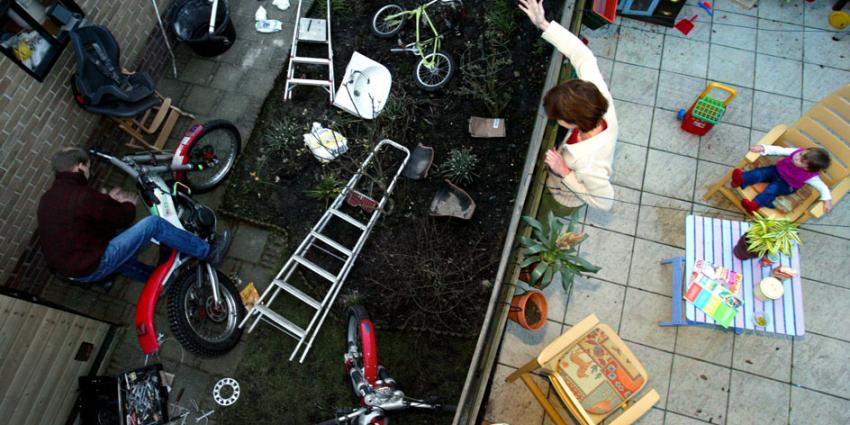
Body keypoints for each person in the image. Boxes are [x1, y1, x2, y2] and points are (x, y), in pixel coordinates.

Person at [37, 147, 231, 283]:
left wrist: (106, 202)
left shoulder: (48, 198)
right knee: (153, 225)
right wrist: (127, 204)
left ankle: (160, 281)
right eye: (87, 167)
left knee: (119, 256)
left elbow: (82, 220)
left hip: (70, 270)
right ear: (79, 167)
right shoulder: (82, 196)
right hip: (91, 263)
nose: (88, 172)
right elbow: (123, 218)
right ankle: (208, 252)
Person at [519, 0, 617, 212]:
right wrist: (543, 23)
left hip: (566, 194)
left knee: (550, 207)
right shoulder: (597, 96)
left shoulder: (591, 164)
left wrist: (564, 171)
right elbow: (582, 55)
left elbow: (605, 202)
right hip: (567, 162)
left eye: (558, 118)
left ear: (572, 122)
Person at [731, 145, 833, 214]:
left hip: (787, 184)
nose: (797, 157)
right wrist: (763, 148)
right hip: (776, 170)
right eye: (801, 154)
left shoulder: (812, 177)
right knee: (761, 172)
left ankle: (755, 205)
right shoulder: (796, 152)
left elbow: (822, 187)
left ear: (807, 169)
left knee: (772, 189)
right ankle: (742, 179)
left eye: (801, 161)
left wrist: (827, 200)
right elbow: (779, 150)